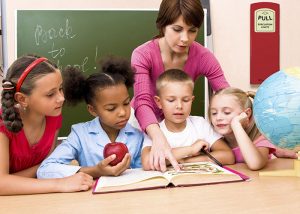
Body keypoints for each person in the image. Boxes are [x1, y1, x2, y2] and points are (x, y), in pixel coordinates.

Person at [131, 0, 230, 171]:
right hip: (146, 125)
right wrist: (159, 138)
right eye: (177, 29)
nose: (185, 38)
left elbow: (227, 97)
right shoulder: (142, 54)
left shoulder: (204, 56)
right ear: (163, 26)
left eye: (192, 31)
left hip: (180, 125)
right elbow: (142, 101)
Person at [0, 55, 93, 195]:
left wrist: (13, 181)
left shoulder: (53, 117)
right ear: (22, 99)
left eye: (60, 89)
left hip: (34, 197)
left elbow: (45, 167)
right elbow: (2, 184)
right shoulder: (3, 124)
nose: (61, 98)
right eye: (50, 94)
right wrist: (60, 184)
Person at [37, 57, 143, 179]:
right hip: (91, 196)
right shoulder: (80, 134)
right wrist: (95, 171)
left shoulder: (138, 136)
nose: (122, 112)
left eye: (126, 103)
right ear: (92, 110)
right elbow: (45, 170)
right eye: (111, 108)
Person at [141, 69, 234, 170]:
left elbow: (228, 156)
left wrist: (185, 161)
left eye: (185, 100)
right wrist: (190, 150)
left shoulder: (200, 124)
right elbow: (147, 163)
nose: (179, 106)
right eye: (171, 100)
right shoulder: (154, 131)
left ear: (192, 100)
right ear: (159, 102)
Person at [209, 87, 298, 170]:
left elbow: (255, 164)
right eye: (214, 113)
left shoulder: (261, 140)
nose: (218, 118)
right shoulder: (214, 140)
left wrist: (236, 125)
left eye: (227, 112)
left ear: (246, 114)